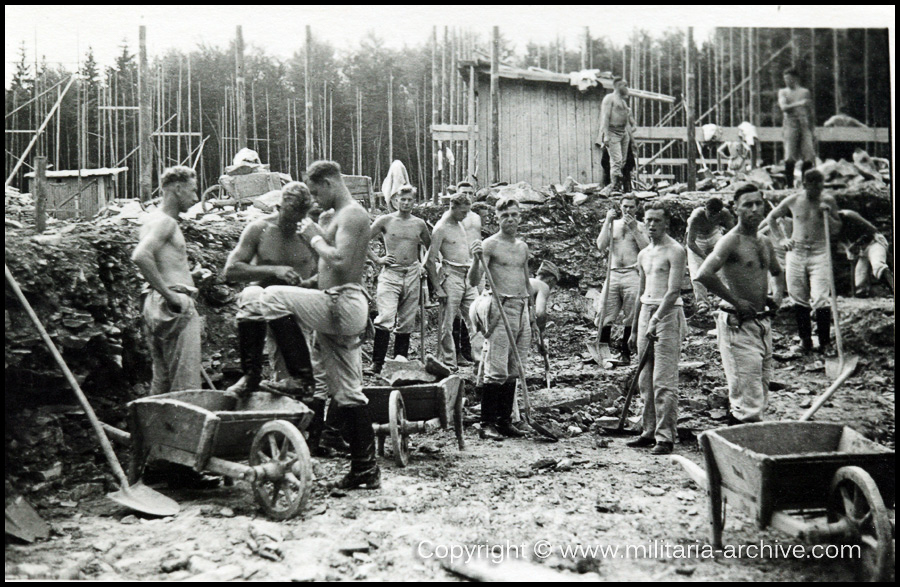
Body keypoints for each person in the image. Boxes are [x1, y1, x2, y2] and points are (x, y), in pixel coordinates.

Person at [261, 161, 379, 489]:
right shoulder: (342, 216)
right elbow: (334, 270)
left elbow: (340, 259)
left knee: (271, 297)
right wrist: (309, 282)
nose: (314, 200)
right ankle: (366, 470)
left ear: (328, 183)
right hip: (336, 301)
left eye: (315, 192)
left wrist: (314, 238)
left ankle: (300, 379)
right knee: (347, 393)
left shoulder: (352, 214)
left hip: (341, 303)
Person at [696, 183, 784, 425]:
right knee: (747, 400)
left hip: (761, 323)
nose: (754, 209)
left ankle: (743, 447)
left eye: (759, 204)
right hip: (738, 324)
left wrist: (777, 296)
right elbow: (704, 273)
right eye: (748, 205)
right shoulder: (730, 241)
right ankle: (738, 452)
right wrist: (735, 300)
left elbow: (777, 272)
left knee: (760, 392)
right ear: (736, 209)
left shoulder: (764, 241)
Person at [223, 183, 318, 397]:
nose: (293, 225)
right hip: (263, 306)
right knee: (250, 294)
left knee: (295, 384)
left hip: (298, 307)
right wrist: (273, 270)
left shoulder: (311, 233)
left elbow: (330, 270)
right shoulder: (260, 229)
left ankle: (300, 420)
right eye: (289, 217)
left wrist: (309, 282)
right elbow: (230, 271)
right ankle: (250, 374)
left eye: (299, 219)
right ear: (278, 207)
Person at [468, 196, 534, 440]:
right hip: (500, 306)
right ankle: (487, 423)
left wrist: (532, 312)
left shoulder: (522, 247)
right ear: (496, 218)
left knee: (515, 368)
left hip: (521, 307)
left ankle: (505, 422)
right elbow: (473, 281)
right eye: (505, 215)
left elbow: (526, 280)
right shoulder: (489, 245)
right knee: (496, 368)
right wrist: (476, 260)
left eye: (514, 215)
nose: (510, 219)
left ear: (520, 217)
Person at [131, 166, 202, 395]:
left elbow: (159, 261)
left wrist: (192, 277)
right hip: (173, 304)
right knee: (186, 383)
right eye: (192, 190)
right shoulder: (167, 223)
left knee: (162, 379)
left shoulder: (151, 219)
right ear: (178, 189)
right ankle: (186, 431)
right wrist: (170, 295)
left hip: (156, 305)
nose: (195, 197)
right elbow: (141, 256)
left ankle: (152, 430)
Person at [626, 201, 687, 455]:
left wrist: (656, 319)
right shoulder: (643, 253)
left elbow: (673, 291)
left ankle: (665, 437)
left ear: (666, 223)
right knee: (645, 378)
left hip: (668, 313)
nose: (651, 225)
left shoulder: (675, 250)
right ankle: (648, 430)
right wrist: (633, 328)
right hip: (646, 311)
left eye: (657, 221)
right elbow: (641, 291)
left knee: (663, 378)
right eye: (648, 220)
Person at [763, 169, 841, 354]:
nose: (817, 191)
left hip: (819, 252)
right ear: (805, 185)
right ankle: (805, 341)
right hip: (796, 252)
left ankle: (825, 343)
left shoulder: (828, 200)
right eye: (813, 187)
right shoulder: (793, 200)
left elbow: (837, 228)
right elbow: (772, 218)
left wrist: (828, 216)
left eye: (820, 187)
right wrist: (782, 239)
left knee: (821, 297)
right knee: (798, 296)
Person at [367, 185, 436, 373]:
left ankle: (400, 361)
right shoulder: (385, 220)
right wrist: (377, 259)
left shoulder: (419, 224)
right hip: (391, 274)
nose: (405, 203)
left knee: (406, 320)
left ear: (415, 201)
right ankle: (377, 363)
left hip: (412, 273)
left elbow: (431, 248)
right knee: (386, 316)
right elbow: (362, 238)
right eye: (402, 199)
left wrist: (423, 265)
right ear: (395, 200)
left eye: (409, 200)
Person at [427, 188, 485, 370]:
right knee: (448, 323)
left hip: (467, 275)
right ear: (452, 207)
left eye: (468, 211)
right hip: (450, 275)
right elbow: (429, 260)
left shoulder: (459, 223)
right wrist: (437, 287)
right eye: (463, 211)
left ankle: (480, 359)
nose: (466, 215)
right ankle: (449, 363)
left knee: (477, 317)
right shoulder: (441, 228)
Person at [595, 195, 649, 363]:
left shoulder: (641, 226)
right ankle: (601, 354)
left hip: (632, 273)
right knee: (605, 312)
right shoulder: (613, 224)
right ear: (620, 206)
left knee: (631, 314)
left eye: (631, 207)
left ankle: (625, 352)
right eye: (625, 206)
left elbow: (647, 248)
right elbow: (600, 245)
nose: (628, 210)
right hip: (613, 273)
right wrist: (606, 221)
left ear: (637, 208)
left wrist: (634, 229)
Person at [686, 198, 735, 312]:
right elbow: (691, 243)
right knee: (696, 271)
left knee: (723, 267)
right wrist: (705, 257)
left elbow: (733, 232)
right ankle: (702, 302)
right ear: (705, 209)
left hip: (714, 235)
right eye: (710, 213)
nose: (712, 217)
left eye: (715, 214)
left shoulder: (725, 213)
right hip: (698, 239)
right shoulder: (696, 217)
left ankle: (724, 298)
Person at [836, 209, 893, 296]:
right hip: (862, 251)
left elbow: (871, 231)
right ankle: (862, 297)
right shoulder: (832, 225)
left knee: (878, 266)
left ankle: (893, 287)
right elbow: (843, 240)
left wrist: (856, 244)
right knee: (859, 278)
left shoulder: (848, 215)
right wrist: (848, 249)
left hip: (874, 242)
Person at [597, 76, 636, 195]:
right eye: (625, 85)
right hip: (613, 132)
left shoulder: (623, 102)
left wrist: (632, 141)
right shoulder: (610, 98)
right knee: (616, 161)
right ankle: (613, 187)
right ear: (618, 86)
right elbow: (605, 117)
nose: (627, 88)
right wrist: (606, 135)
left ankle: (617, 186)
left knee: (623, 162)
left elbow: (629, 124)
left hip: (623, 132)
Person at [778, 68, 816, 188]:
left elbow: (810, 112)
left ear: (795, 78)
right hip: (790, 122)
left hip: (804, 123)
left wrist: (812, 129)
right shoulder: (783, 92)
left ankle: (806, 184)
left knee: (808, 154)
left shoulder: (804, 92)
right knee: (790, 155)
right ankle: (789, 185)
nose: (787, 81)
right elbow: (783, 107)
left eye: (789, 78)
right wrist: (799, 103)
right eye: (785, 79)